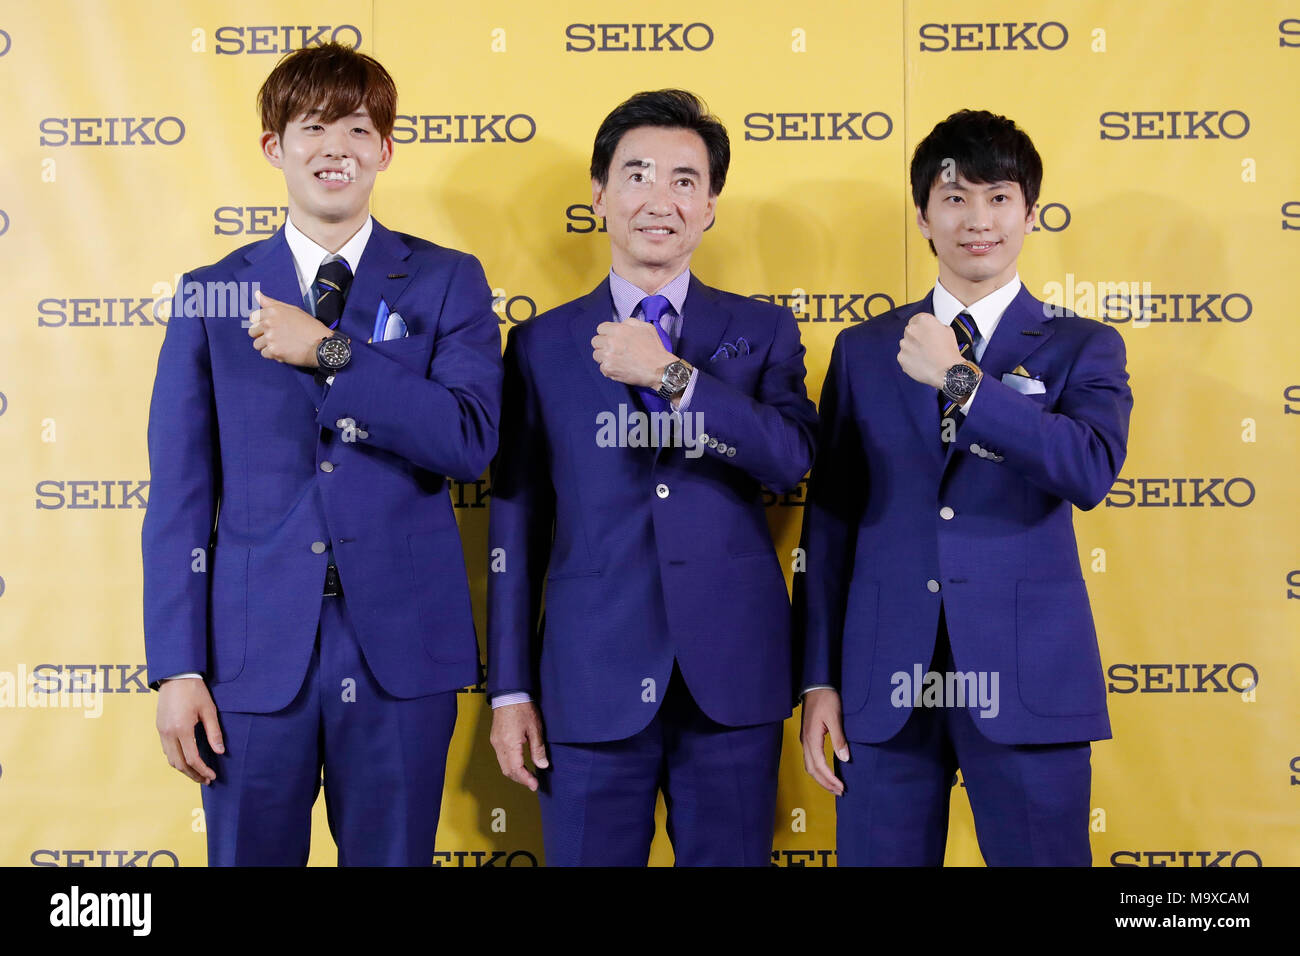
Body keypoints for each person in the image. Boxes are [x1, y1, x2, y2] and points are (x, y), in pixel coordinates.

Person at [142, 42, 502, 866]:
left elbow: (467, 440)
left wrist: (333, 354)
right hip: (251, 652)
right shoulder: (212, 293)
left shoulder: (446, 280)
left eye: (357, 126)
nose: (335, 146)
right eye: (312, 126)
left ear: (385, 147)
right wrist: (177, 670)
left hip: (399, 651)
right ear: (275, 147)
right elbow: (181, 499)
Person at [487, 89, 817, 866]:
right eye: (636, 175)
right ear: (599, 195)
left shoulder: (761, 330)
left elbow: (790, 460)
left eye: (684, 180)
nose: (659, 199)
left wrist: (676, 378)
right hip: (588, 679)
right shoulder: (538, 344)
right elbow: (515, 524)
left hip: (731, 680)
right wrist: (509, 689)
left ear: (709, 207)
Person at [796, 109, 1132, 866]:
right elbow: (831, 524)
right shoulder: (863, 349)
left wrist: (963, 382)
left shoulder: (1084, 344)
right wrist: (818, 678)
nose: (977, 220)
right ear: (923, 215)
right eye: (954, 198)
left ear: (1030, 213)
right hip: (883, 687)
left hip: (1028, 680)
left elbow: (1086, 469)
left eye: (999, 197)